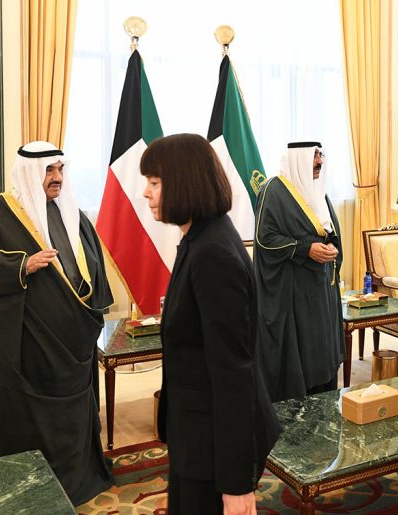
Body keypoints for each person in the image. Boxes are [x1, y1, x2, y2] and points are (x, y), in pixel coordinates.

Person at [0, 141, 114, 505]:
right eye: (48, 170)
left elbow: (92, 266)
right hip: (30, 347)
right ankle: (33, 487)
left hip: (73, 344)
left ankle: (79, 476)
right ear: (29, 173)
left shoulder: (72, 214)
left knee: (73, 417)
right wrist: (21, 266)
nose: (57, 177)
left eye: (60, 169)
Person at [141, 133, 281, 515]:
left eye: (154, 183)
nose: (146, 193)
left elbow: (234, 375)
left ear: (183, 183)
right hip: (195, 436)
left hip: (212, 450)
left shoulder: (212, 253)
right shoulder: (198, 238)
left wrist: (236, 485)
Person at [254, 141, 344, 402]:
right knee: (300, 354)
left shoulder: (317, 190)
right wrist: (305, 249)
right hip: (291, 290)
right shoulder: (273, 190)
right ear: (298, 158)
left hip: (321, 288)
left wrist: (332, 246)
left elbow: (328, 229)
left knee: (321, 350)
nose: (319, 162)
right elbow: (264, 239)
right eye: (314, 156)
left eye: (321, 155)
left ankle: (323, 403)